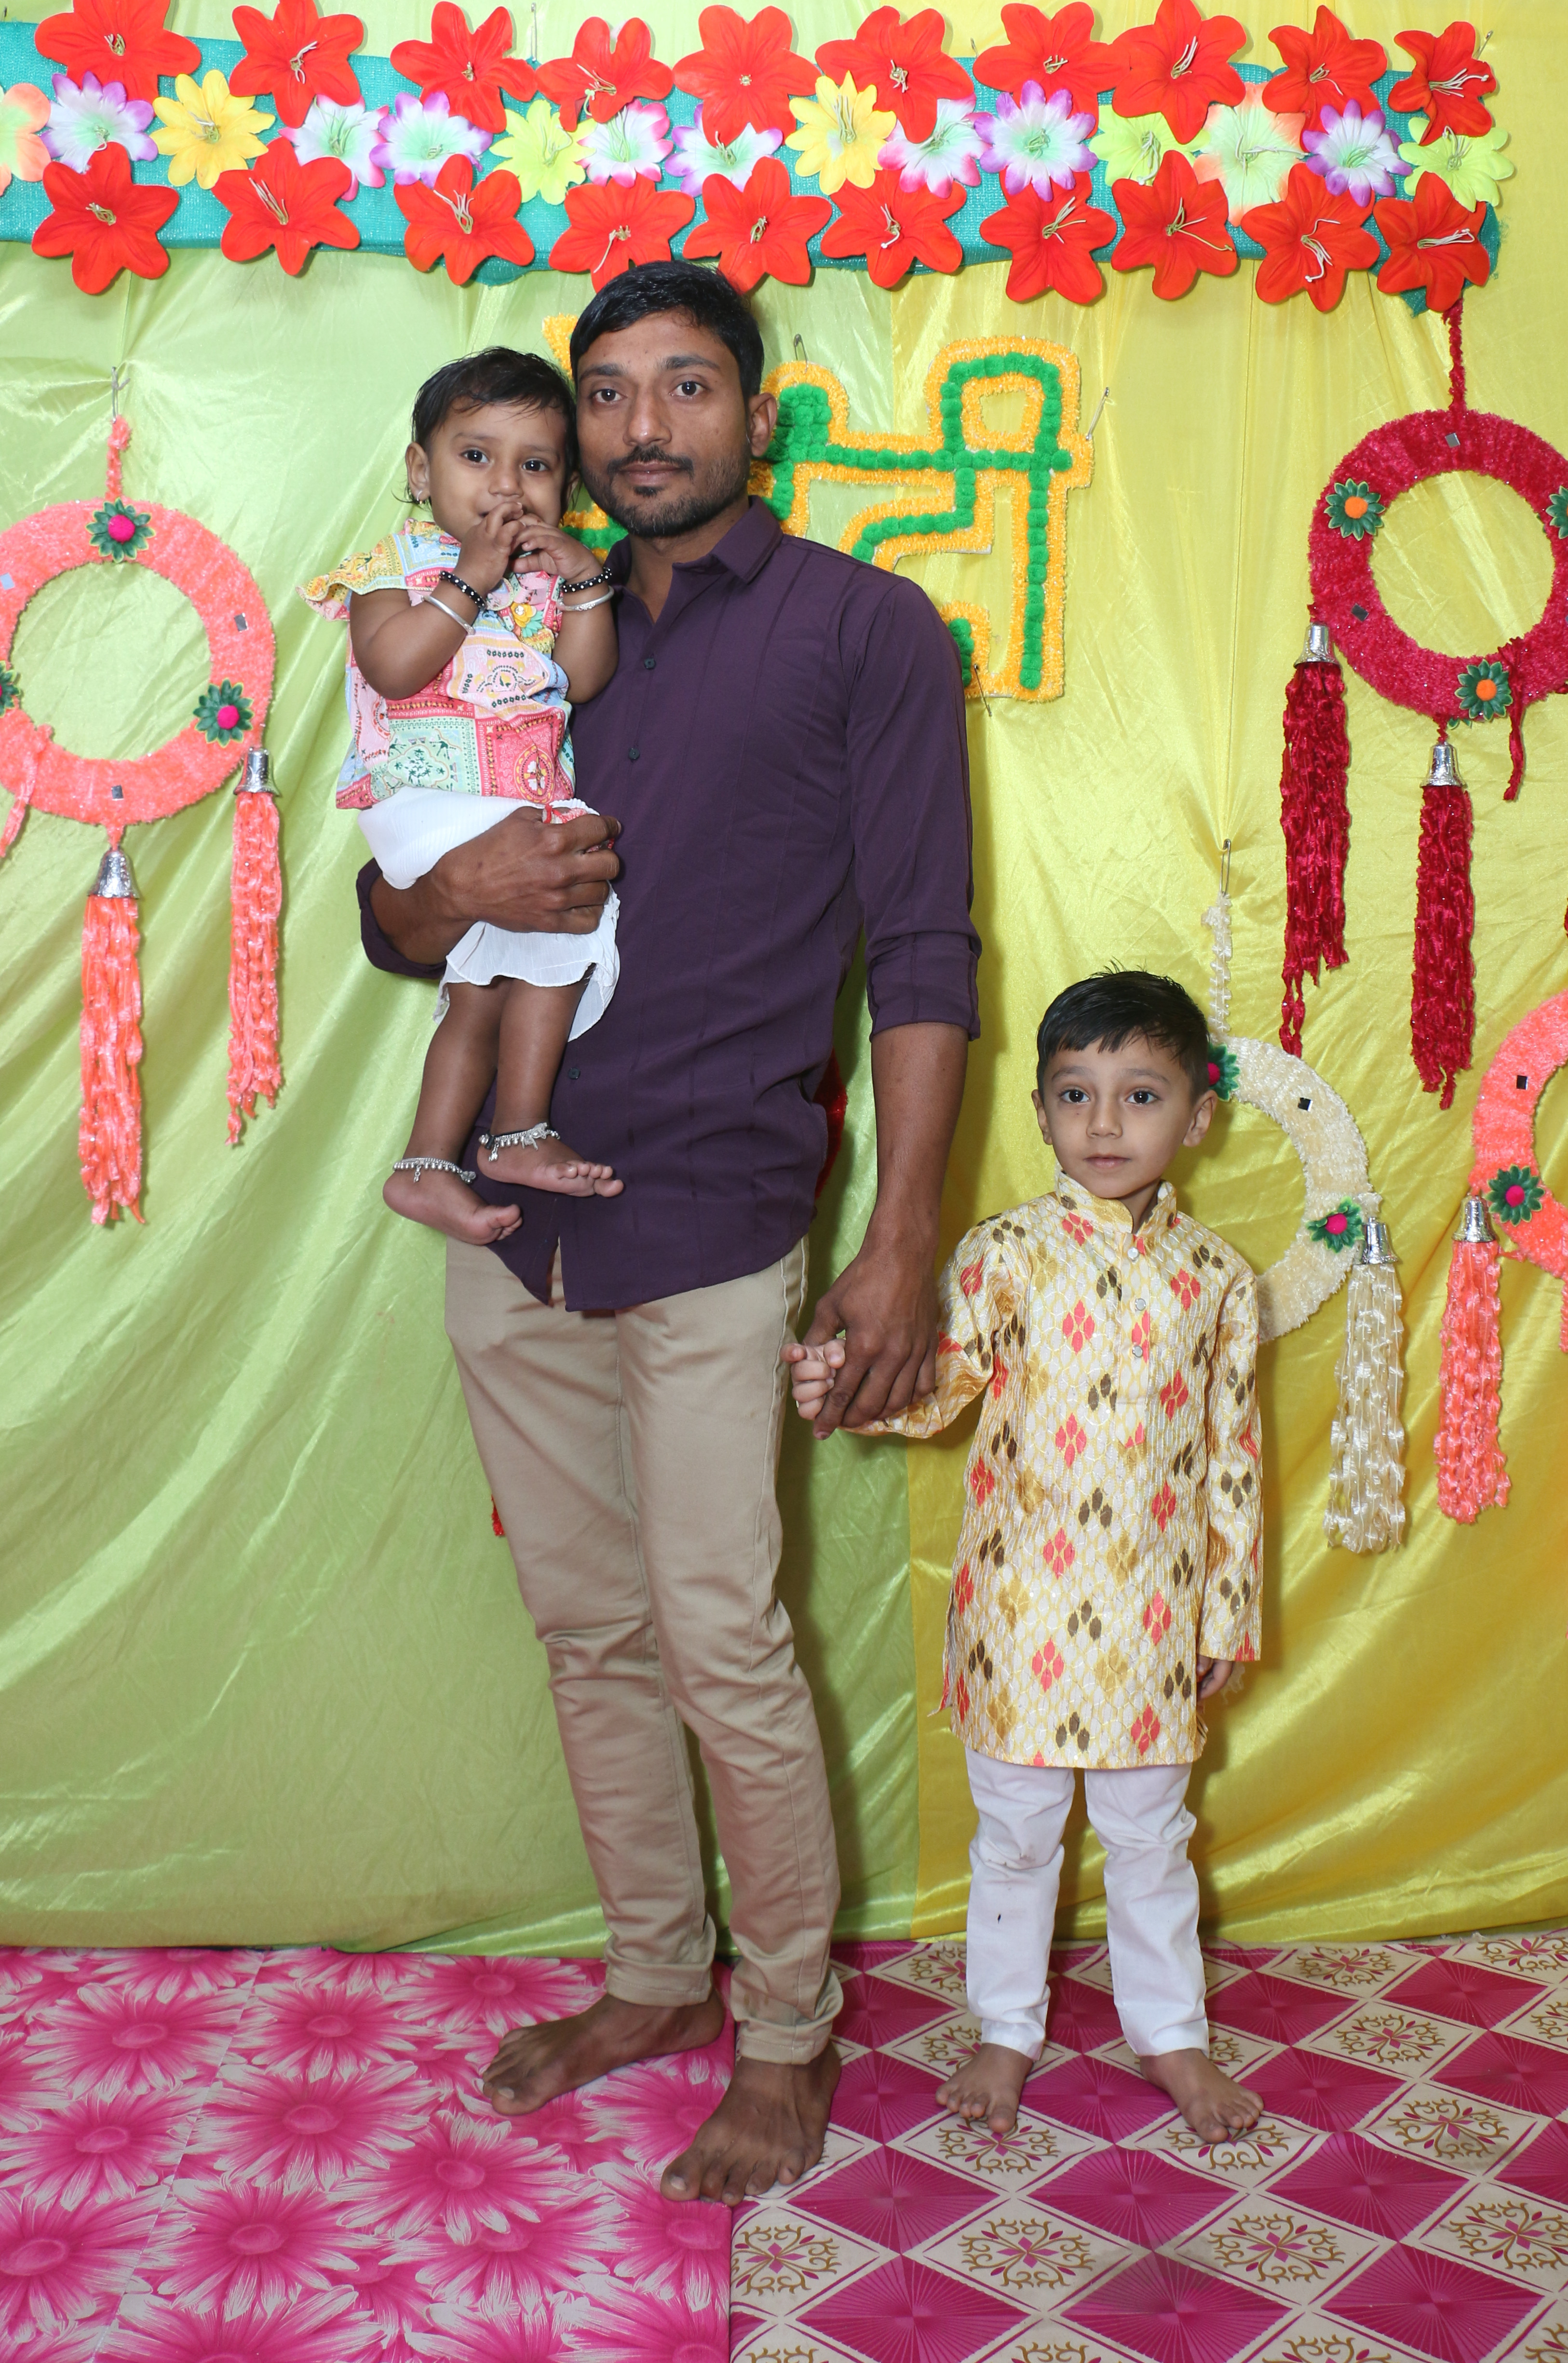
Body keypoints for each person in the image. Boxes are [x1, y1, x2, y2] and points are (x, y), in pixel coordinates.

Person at [354, 262, 980, 2204]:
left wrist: (902, 1243)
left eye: (686, 387)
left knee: (720, 1637)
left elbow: (927, 945)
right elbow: (395, 920)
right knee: (588, 1633)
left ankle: (785, 2031)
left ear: (756, 414)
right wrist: (457, 878)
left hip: (715, 1204)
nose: (641, 427)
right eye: (608, 393)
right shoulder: (510, 614)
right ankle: (651, 1977)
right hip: (506, 1217)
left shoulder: (863, 629)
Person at [788, 969, 1264, 2143]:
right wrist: (844, 1390)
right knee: (1014, 1837)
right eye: (1075, 1093)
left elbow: (1235, 1461)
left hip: (1154, 1617)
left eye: (1141, 1094)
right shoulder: (1001, 1254)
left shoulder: (1218, 1281)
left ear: (1197, 1117)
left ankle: (1173, 2035)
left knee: (1151, 1838)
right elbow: (938, 1390)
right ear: (1041, 1111)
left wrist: (1225, 1616)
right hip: (1021, 1610)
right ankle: (1005, 2028)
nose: (1105, 1123)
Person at [305, 348, 625, 1242]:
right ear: (421, 471)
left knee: (485, 980)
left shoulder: (545, 580)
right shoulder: (393, 565)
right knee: (568, 886)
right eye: (476, 456)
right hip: (428, 797)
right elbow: (392, 665)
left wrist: (584, 584)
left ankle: (428, 1164)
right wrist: (470, 580)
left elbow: (582, 679)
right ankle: (519, 1129)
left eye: (536, 465)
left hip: (502, 808)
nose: (505, 485)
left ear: (567, 489)